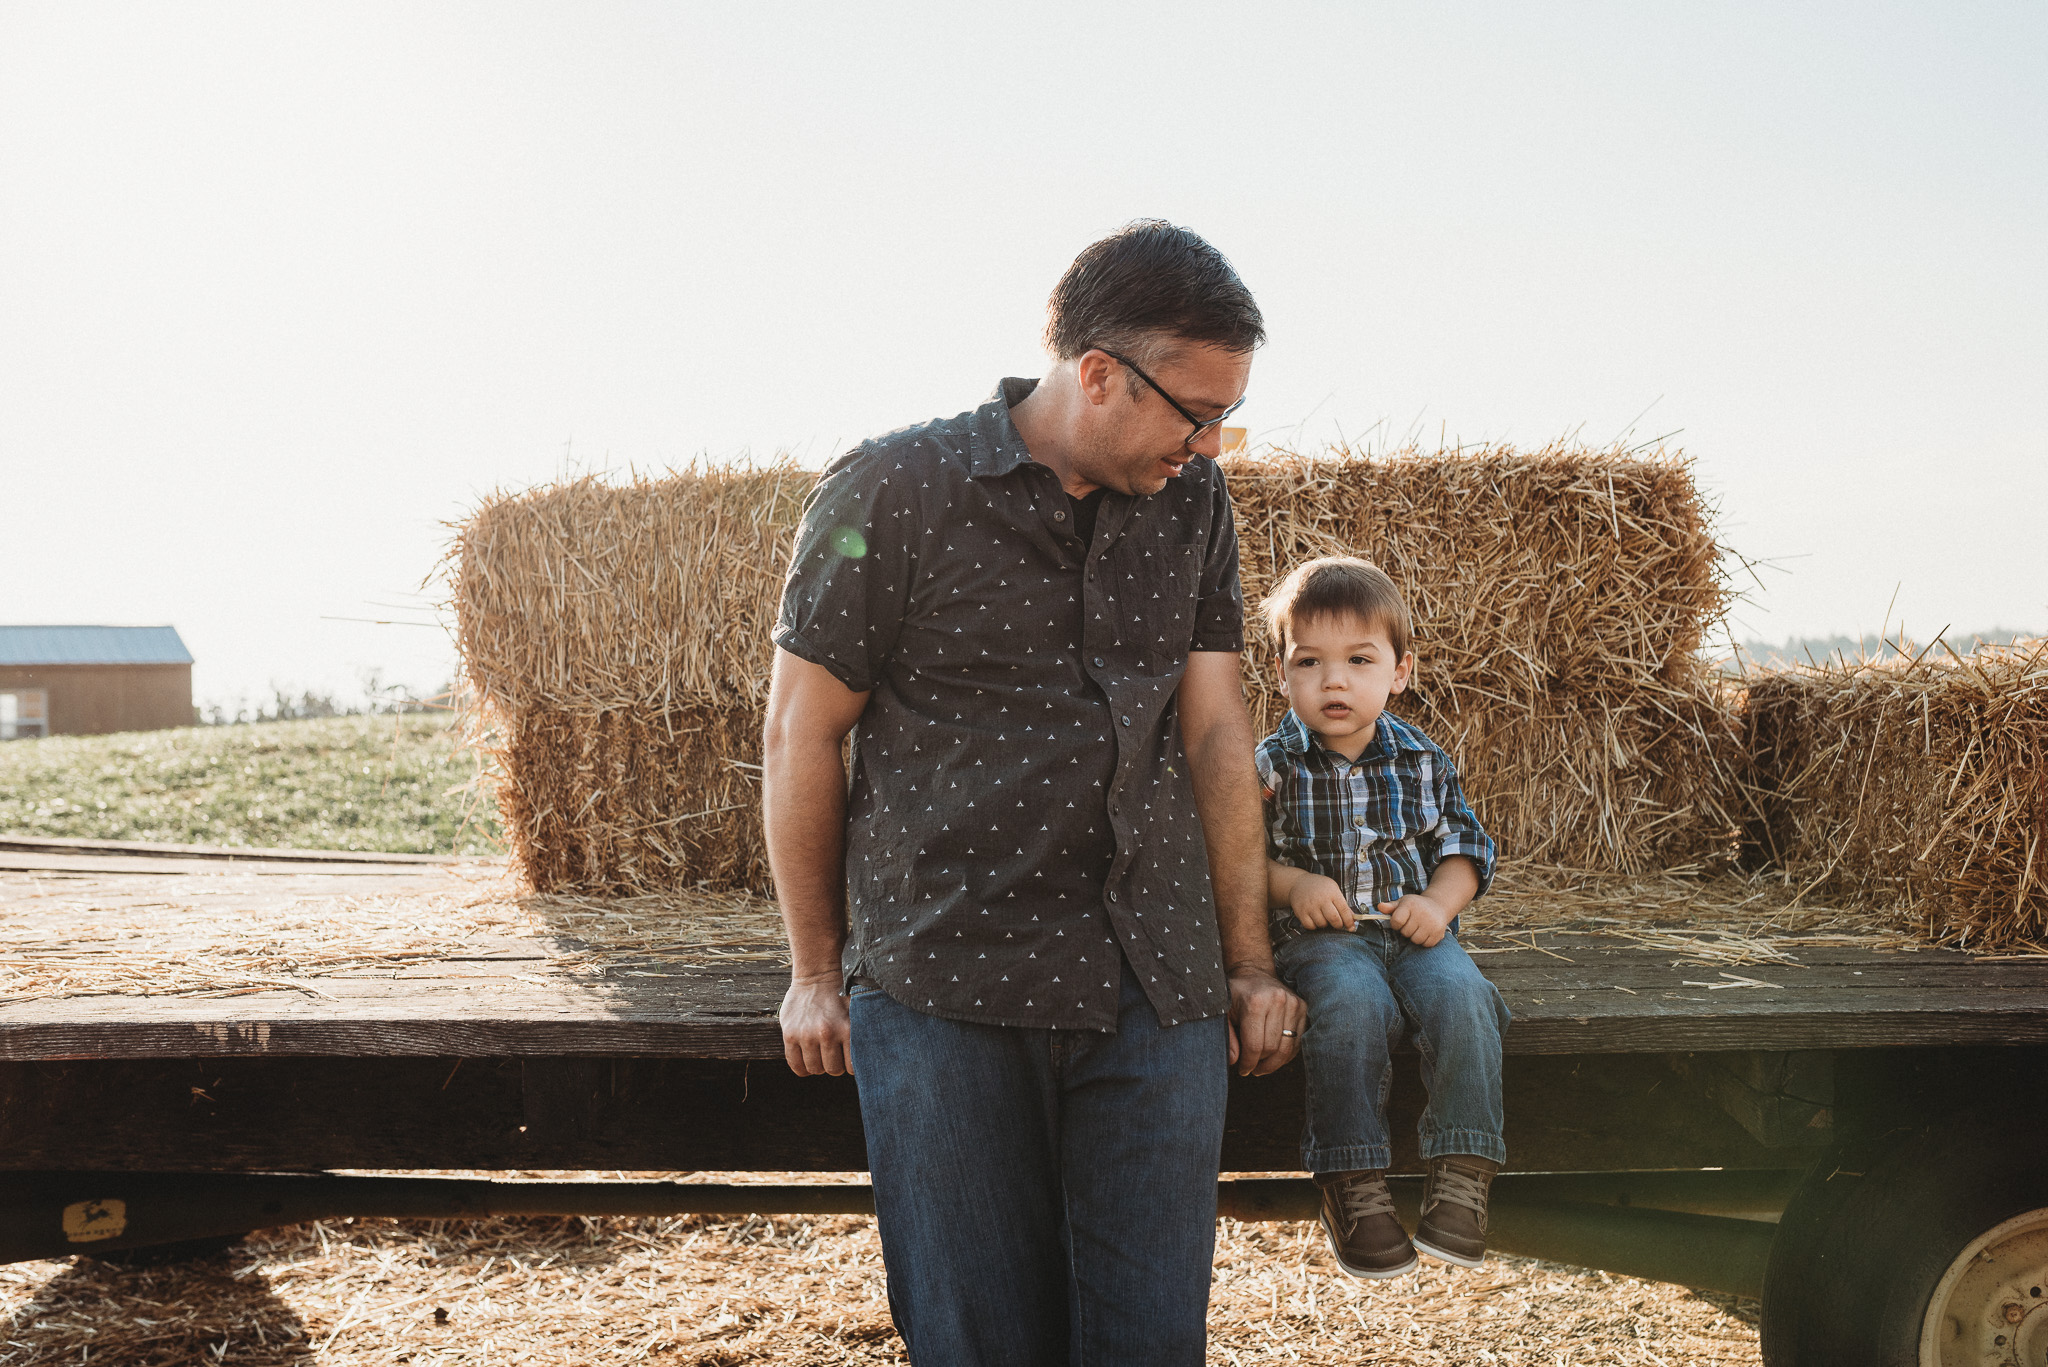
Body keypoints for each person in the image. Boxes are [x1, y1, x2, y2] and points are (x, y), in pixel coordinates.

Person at [763, 220, 1308, 1366]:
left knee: (1151, 1344)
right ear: (1098, 373)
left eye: (1227, 415)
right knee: (978, 1342)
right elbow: (801, 733)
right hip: (946, 983)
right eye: (1193, 412)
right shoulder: (889, 490)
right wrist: (816, 973)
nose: (1209, 444)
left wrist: (1248, 961)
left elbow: (1214, 734)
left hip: (1155, 984)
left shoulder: (1193, 505)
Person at [1254, 555, 1508, 1278]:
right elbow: (1242, 861)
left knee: (1467, 999)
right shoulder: (1274, 765)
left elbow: (1464, 848)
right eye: (1310, 661)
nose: (1334, 680)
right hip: (1327, 943)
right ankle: (1352, 1180)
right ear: (1282, 674)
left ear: (1398, 671)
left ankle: (1465, 1168)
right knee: (1351, 1006)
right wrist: (1294, 883)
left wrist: (1439, 902)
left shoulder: (1421, 758)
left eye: (1359, 659)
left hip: (1411, 930)